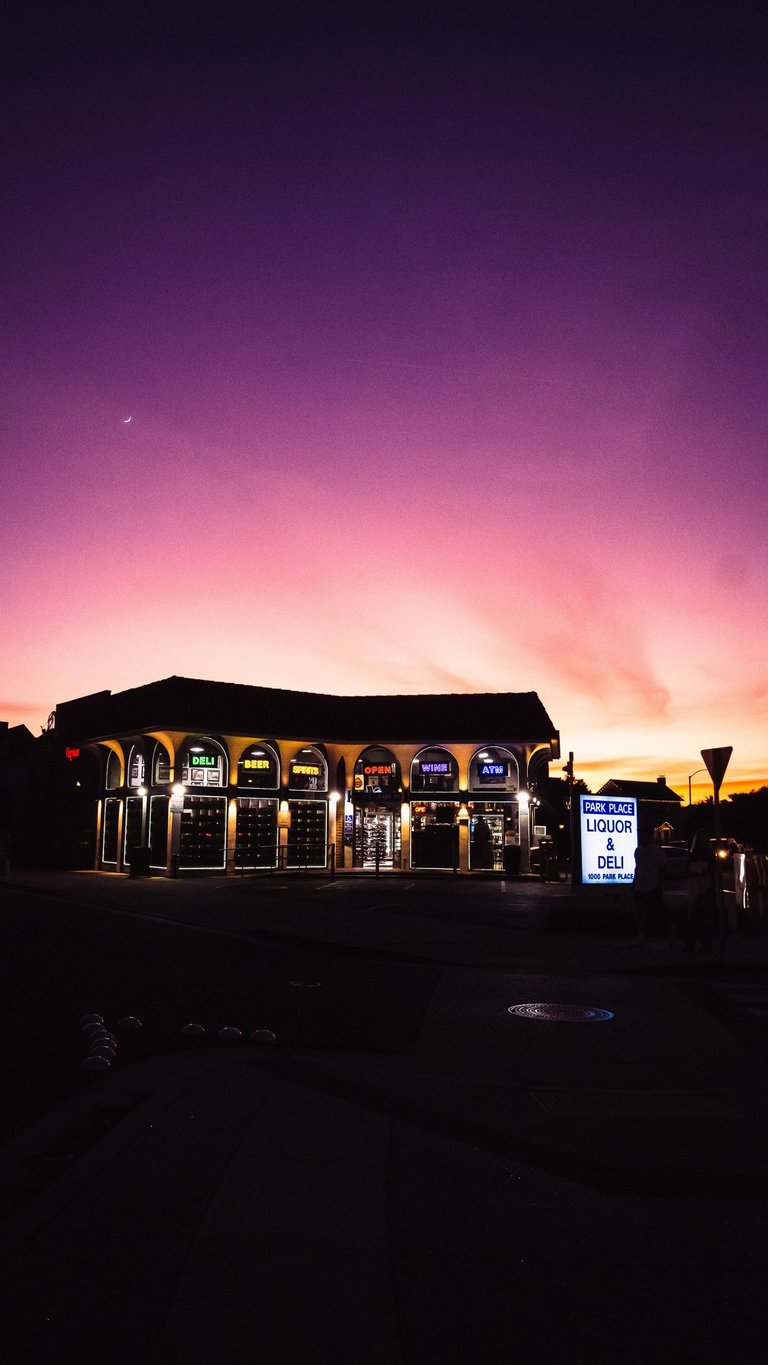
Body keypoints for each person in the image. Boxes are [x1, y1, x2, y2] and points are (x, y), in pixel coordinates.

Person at [685, 829, 716, 953]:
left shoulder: (700, 854)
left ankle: (700, 943)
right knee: (697, 915)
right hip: (699, 886)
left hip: (703, 885)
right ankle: (698, 943)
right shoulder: (698, 854)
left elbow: (712, 870)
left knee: (702, 916)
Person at [632, 828, 665, 941]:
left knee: (657, 911)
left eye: (642, 835)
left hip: (653, 884)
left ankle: (662, 933)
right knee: (640, 911)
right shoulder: (638, 850)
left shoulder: (657, 850)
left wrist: (659, 883)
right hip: (640, 884)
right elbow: (637, 868)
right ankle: (642, 935)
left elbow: (662, 868)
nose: (640, 838)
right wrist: (634, 882)